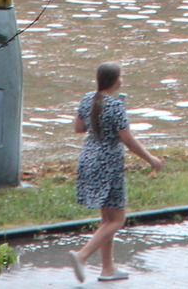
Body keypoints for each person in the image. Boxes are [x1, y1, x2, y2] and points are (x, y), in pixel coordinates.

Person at [69, 62, 162, 283]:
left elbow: (79, 128)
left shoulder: (88, 99)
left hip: (88, 158)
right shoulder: (116, 106)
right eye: (121, 76)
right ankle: (82, 256)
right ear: (115, 80)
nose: (122, 79)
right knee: (117, 219)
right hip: (109, 163)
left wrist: (98, 124)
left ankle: (108, 269)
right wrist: (151, 159)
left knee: (107, 219)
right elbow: (127, 139)